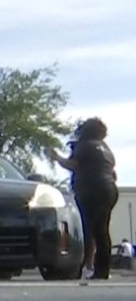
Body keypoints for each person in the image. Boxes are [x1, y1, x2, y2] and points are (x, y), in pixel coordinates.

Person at [48, 117, 119, 280]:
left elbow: (73, 164)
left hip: (91, 190)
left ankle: (77, 268)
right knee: (102, 232)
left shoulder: (84, 145)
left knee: (84, 230)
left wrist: (57, 157)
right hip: (109, 189)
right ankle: (102, 271)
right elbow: (112, 173)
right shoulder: (106, 148)